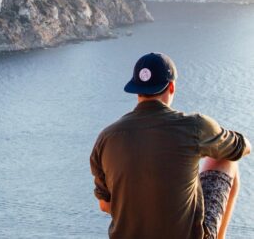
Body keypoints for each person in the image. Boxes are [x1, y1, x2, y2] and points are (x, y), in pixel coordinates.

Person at [90, 52, 251, 239]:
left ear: (136, 90)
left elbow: (105, 205)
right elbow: (241, 147)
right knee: (227, 160)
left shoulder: (106, 138)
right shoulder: (195, 126)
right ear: (171, 86)